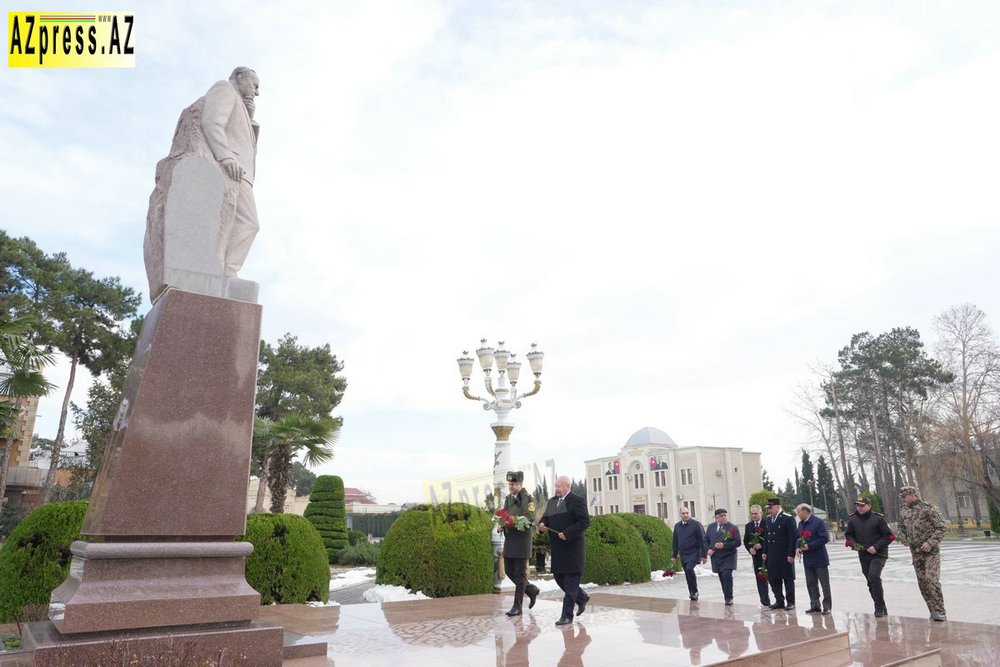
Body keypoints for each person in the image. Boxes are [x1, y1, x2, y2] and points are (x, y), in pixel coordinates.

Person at [202, 66, 261, 277]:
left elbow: (248, 147)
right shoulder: (225, 89)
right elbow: (212, 123)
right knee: (249, 222)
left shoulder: (242, 106)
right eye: (255, 85)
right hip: (232, 168)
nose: (257, 92)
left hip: (241, 172)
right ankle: (227, 272)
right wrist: (226, 157)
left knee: (240, 222)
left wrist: (250, 118)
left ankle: (225, 271)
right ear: (240, 77)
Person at [539, 475, 591, 626]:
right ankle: (581, 597)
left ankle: (567, 616)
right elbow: (545, 518)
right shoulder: (552, 501)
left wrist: (568, 533)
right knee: (559, 579)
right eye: (555, 486)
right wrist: (542, 525)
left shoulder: (577, 501)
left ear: (568, 486)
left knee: (570, 583)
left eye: (559, 486)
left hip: (572, 549)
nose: (556, 488)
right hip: (558, 550)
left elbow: (584, 521)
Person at [897, 485, 947, 621]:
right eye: (902, 497)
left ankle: (940, 610)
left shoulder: (928, 508)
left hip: (931, 552)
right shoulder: (904, 510)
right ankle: (933, 611)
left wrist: (930, 543)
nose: (903, 499)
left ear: (913, 495)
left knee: (931, 580)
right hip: (916, 553)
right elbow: (901, 527)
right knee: (923, 582)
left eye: (904, 496)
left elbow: (942, 527)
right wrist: (902, 537)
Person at [499, 470, 540, 617]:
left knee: (520, 574)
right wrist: (501, 524)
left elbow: (529, 519)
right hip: (510, 540)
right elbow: (504, 515)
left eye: (514, 484)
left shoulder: (528, 499)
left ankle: (517, 607)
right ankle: (531, 590)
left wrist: (511, 521)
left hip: (522, 541)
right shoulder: (508, 499)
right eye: (510, 484)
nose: (511, 486)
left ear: (520, 484)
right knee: (509, 570)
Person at [844, 496, 892, 617]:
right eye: (858, 505)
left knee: (874, 576)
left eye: (862, 505)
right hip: (864, 554)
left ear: (869, 506)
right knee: (870, 581)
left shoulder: (878, 519)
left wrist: (876, 546)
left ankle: (878, 607)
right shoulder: (853, 520)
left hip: (878, 554)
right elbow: (849, 535)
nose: (859, 508)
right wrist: (854, 544)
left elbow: (888, 536)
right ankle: (881, 605)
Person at [795, 503, 831, 614]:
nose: (798, 514)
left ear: (805, 511)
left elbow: (824, 538)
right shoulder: (800, 524)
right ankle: (815, 605)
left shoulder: (818, 522)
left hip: (819, 558)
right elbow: (798, 538)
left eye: (799, 512)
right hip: (808, 559)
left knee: (824, 584)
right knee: (811, 584)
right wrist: (798, 547)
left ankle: (827, 606)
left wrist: (809, 546)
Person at [762, 498, 796, 610]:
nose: (769, 510)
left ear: (777, 506)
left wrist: (791, 554)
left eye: (771, 508)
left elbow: (792, 538)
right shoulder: (768, 519)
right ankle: (779, 600)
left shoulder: (787, 518)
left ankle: (790, 601)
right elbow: (767, 537)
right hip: (772, 553)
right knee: (773, 578)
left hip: (784, 553)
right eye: (768, 508)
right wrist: (765, 552)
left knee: (787, 579)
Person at [704, 508, 740, 605]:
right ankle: (726, 595)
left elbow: (737, 542)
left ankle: (729, 597)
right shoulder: (711, 527)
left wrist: (724, 545)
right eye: (721, 516)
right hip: (716, 557)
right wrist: (708, 549)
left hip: (729, 556)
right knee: (721, 577)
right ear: (716, 517)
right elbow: (705, 540)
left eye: (725, 515)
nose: (724, 517)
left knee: (726, 574)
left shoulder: (732, 527)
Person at [672, 506, 706, 601]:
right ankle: (691, 592)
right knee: (687, 573)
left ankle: (695, 591)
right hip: (683, 554)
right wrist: (674, 555)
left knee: (689, 569)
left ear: (689, 513)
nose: (685, 515)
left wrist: (704, 555)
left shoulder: (696, 524)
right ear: (680, 515)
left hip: (694, 553)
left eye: (687, 513)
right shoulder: (677, 526)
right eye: (683, 513)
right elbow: (675, 542)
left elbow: (702, 540)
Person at [743, 504, 770, 607]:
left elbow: (770, 538)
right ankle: (765, 601)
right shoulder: (748, 526)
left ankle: (778, 599)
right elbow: (746, 541)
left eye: (756, 513)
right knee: (760, 578)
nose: (754, 515)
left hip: (768, 555)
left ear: (761, 513)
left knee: (772, 578)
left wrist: (762, 545)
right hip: (757, 557)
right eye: (752, 514)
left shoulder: (767, 523)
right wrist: (750, 549)